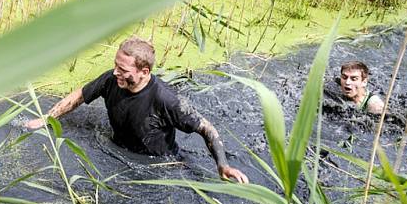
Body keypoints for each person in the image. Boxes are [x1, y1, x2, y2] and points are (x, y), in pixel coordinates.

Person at [25, 37, 249, 183]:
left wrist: (223, 166)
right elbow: (80, 95)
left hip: (159, 166)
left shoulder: (166, 100)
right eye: (115, 66)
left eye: (123, 69)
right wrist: (47, 118)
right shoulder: (111, 80)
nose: (115, 73)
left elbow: (206, 128)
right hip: (117, 152)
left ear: (143, 71)